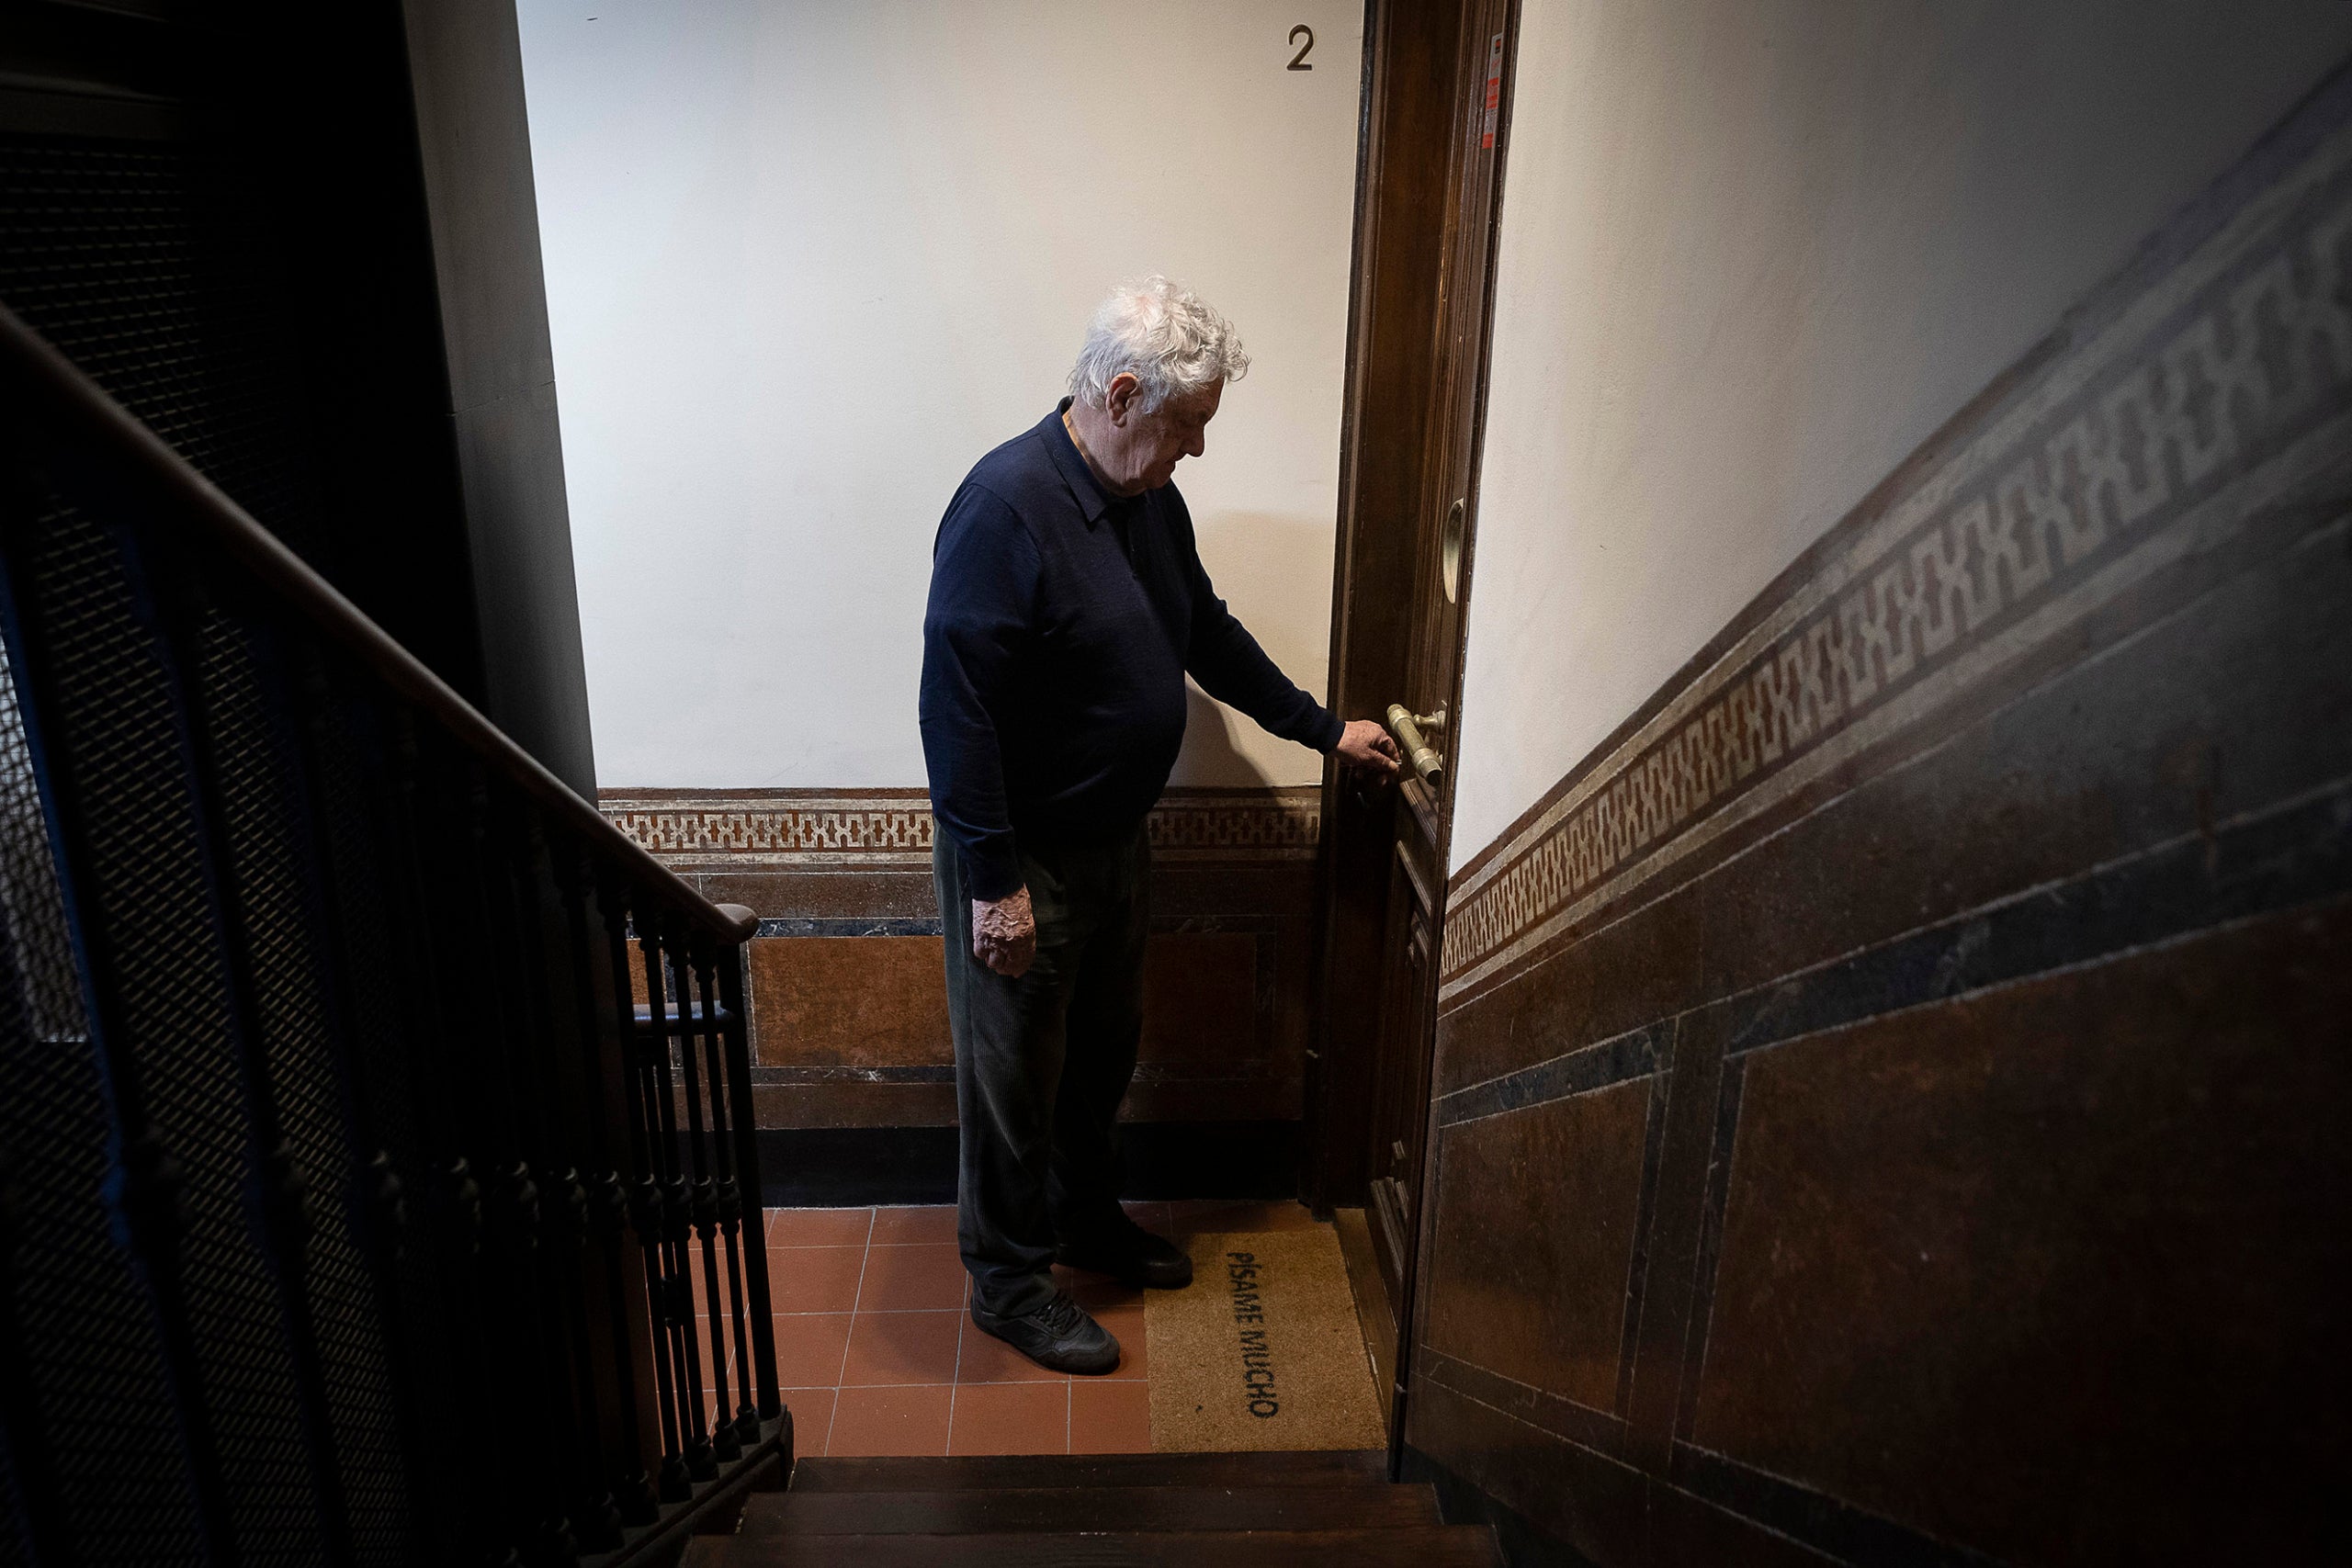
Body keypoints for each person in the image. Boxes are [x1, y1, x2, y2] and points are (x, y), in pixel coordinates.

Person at [919, 276, 1401, 1373]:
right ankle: (1007, 1282)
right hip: (1022, 855)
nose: (1194, 451)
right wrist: (993, 885)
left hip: (1113, 845)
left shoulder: (1147, 503)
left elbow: (1205, 634)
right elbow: (957, 712)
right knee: (1012, 1080)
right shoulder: (1003, 508)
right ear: (1123, 393)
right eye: (1186, 427)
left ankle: (1085, 1220)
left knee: (1098, 1059)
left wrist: (1323, 731)